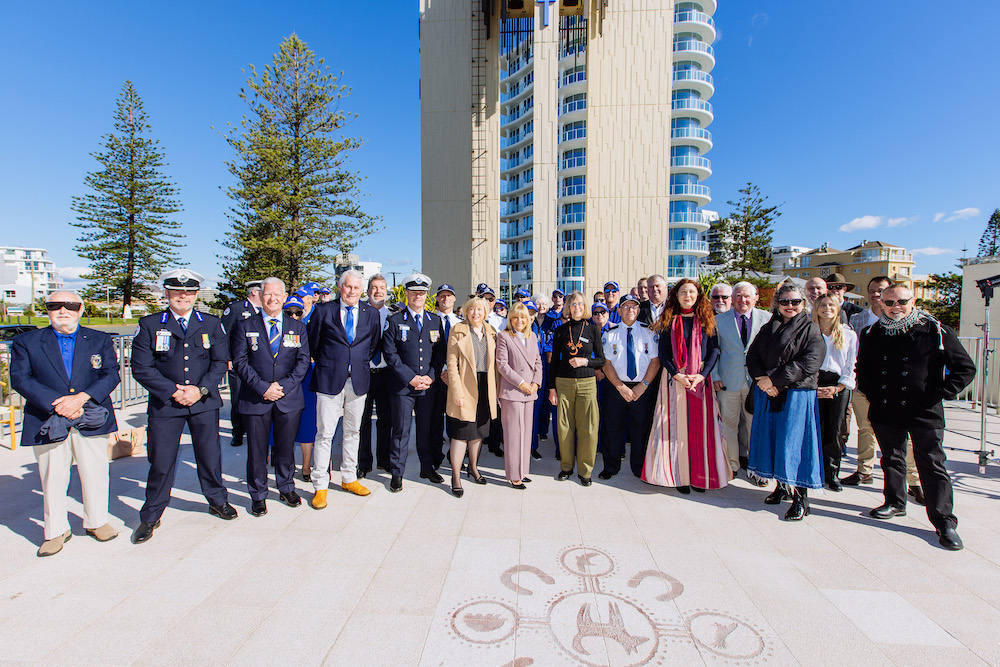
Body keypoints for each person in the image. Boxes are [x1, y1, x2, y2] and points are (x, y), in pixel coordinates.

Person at [857, 284, 976, 550]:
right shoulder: (872, 333)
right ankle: (895, 502)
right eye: (889, 303)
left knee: (932, 464)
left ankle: (944, 520)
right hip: (886, 408)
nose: (894, 307)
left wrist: (938, 393)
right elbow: (862, 369)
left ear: (913, 301)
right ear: (881, 304)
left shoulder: (934, 330)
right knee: (891, 458)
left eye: (901, 301)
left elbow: (965, 369)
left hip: (923, 410)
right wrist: (872, 394)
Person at [10, 291, 121, 556]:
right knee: (52, 477)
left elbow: (111, 373)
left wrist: (81, 398)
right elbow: (21, 379)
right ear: (46, 309)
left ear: (81, 309)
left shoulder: (100, 339)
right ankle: (56, 530)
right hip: (48, 416)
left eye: (70, 305)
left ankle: (97, 521)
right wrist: (58, 403)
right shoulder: (27, 341)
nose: (63, 310)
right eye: (55, 305)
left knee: (95, 471)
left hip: (91, 414)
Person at [130, 269, 235, 544]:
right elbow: (141, 367)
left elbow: (219, 362)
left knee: (210, 457)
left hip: (203, 402)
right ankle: (151, 514)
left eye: (189, 292)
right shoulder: (151, 324)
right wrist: (173, 391)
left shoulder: (211, 324)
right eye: (177, 292)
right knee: (161, 461)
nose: (183, 296)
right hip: (167, 404)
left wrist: (198, 390)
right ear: (167, 293)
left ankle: (217, 500)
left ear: (196, 294)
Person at [231, 277, 311, 515]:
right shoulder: (245, 326)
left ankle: (286, 486)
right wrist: (262, 387)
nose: (272, 298)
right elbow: (240, 361)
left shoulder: (297, 327)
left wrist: (283, 386)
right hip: (257, 398)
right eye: (268, 294)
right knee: (256, 450)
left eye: (277, 294)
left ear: (285, 297)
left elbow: (303, 360)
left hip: (288, 398)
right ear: (260, 295)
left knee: (286, 449)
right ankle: (258, 494)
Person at [746, 284, 825, 521]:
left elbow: (810, 362)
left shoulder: (811, 329)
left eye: (796, 302)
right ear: (777, 304)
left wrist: (774, 381)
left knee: (794, 444)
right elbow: (752, 355)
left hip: (796, 394)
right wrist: (762, 379)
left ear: (803, 303)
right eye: (785, 302)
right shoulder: (768, 328)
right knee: (774, 441)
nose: (790, 306)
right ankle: (781, 486)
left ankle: (801, 498)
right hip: (768, 392)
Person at [643, 279, 729, 493]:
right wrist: (677, 375)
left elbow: (714, 351)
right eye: (683, 291)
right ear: (676, 295)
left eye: (691, 291)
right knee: (674, 430)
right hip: (675, 381)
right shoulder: (668, 320)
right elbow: (663, 353)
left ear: (698, 295)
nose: (687, 295)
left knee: (701, 431)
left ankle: (700, 475)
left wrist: (702, 375)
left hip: (701, 382)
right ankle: (679, 475)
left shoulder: (707, 320)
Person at [842, 276, 921, 500]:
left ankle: (913, 481)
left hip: (900, 390)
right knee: (865, 430)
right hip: (865, 386)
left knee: (906, 437)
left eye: (882, 290)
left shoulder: (913, 322)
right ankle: (864, 470)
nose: (877, 294)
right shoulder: (857, 319)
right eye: (873, 291)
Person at [307, 269, 381, 507]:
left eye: (356, 288)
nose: (352, 292)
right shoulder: (323, 311)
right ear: (340, 287)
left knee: (353, 432)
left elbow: (372, 345)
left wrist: (354, 364)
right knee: (325, 434)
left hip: (358, 381)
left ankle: (349, 477)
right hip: (329, 380)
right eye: (348, 287)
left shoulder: (371, 313)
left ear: (362, 290)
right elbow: (313, 344)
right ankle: (320, 485)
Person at [382, 273, 447, 492]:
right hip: (403, 386)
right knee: (401, 431)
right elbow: (390, 354)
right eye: (414, 292)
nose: (418, 296)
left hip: (428, 386)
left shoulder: (435, 320)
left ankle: (426, 468)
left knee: (426, 429)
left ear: (426, 295)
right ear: (407, 294)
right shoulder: (394, 320)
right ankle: (397, 473)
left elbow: (440, 353)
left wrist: (430, 375)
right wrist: (410, 378)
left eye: (422, 293)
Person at [713, 281, 771, 482]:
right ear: (732, 299)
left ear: (756, 297)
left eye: (747, 296)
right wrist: (715, 377)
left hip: (757, 384)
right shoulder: (719, 320)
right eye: (737, 296)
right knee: (728, 425)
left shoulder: (768, 319)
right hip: (728, 382)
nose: (742, 300)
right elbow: (715, 352)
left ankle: (758, 468)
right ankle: (731, 465)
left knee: (755, 426)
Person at [599, 293, 659, 479]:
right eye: (626, 307)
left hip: (642, 387)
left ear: (639, 310)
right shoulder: (610, 334)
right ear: (619, 310)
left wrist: (643, 385)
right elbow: (606, 364)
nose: (630, 310)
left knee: (640, 429)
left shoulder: (649, 331)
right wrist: (620, 386)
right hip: (616, 387)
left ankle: (639, 467)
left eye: (634, 307)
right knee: (613, 428)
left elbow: (655, 361)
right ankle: (611, 466)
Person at [548, 291, 606, 486]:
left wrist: (585, 361)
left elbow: (601, 359)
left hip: (587, 384)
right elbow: (554, 361)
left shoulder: (593, 330)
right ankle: (566, 467)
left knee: (588, 428)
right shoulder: (560, 331)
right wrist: (551, 388)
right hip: (563, 383)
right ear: (567, 307)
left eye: (580, 303)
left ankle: (585, 471)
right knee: (564, 427)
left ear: (585, 305)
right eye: (573, 304)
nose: (577, 307)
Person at [446, 296, 499, 496]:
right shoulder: (458, 331)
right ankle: (456, 476)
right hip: (465, 385)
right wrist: (456, 392)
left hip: (486, 386)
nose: (475, 313)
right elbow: (451, 364)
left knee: (478, 432)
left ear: (485, 312)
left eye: (480, 310)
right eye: (472, 310)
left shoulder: (491, 332)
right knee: (460, 434)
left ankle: (473, 468)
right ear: (466, 311)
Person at [811, 295, 857, 492]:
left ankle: (831, 473)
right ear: (816, 308)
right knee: (813, 429)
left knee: (834, 431)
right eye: (822, 305)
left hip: (838, 386)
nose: (827, 308)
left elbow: (850, 365)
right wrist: (814, 387)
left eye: (831, 305)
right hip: (812, 383)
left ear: (838, 309)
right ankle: (813, 471)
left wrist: (838, 388)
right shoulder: (809, 331)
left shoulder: (848, 334)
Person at [496, 302, 543, 489]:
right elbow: (502, 365)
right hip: (513, 391)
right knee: (513, 435)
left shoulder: (532, 337)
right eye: (515, 317)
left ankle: (522, 471)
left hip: (529, 392)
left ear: (529, 319)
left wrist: (535, 383)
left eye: (523, 317)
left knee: (526, 434)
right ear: (510, 319)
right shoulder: (504, 336)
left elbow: (538, 362)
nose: (519, 321)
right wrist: (522, 383)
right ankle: (513, 475)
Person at [359, 274, 393, 478]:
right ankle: (364, 462)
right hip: (364, 373)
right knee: (362, 420)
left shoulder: (394, 315)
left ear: (387, 290)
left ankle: (384, 459)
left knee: (386, 419)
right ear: (368, 290)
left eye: (381, 287)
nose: (378, 291)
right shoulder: (360, 313)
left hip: (387, 374)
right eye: (374, 287)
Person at [220, 280, 262, 447]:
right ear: (253, 292)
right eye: (262, 290)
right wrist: (227, 358)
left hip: (257, 364)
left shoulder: (264, 310)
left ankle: (253, 430)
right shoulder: (236, 309)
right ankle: (238, 431)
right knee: (237, 397)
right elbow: (223, 335)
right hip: (238, 362)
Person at [431, 283, 461, 469]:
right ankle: (435, 456)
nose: (445, 299)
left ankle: (455, 457)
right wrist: (441, 372)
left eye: (449, 295)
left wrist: (452, 373)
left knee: (455, 419)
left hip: (455, 378)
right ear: (437, 299)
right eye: (442, 296)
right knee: (435, 419)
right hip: (435, 377)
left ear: (454, 298)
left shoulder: (460, 323)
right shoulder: (431, 321)